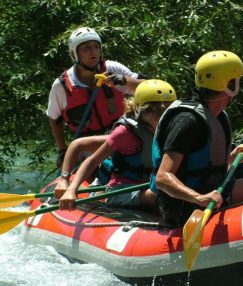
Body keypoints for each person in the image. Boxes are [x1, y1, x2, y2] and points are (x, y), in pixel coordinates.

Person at [150, 50, 243, 227]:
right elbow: (163, 177)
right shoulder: (188, 122)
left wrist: (231, 158)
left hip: (213, 192)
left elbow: (204, 167)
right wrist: (199, 198)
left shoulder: (216, 116)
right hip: (183, 204)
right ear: (230, 85)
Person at [59, 79, 176, 211]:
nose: (162, 117)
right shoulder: (124, 133)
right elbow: (92, 161)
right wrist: (71, 189)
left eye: (167, 112)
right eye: (155, 112)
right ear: (140, 111)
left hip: (147, 185)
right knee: (157, 196)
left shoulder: (171, 130)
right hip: (120, 190)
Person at [47, 27, 145, 168]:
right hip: (88, 144)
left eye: (96, 47)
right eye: (86, 48)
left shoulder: (113, 69)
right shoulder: (61, 86)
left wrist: (125, 80)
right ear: (75, 54)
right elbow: (54, 119)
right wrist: (62, 151)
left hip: (121, 136)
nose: (93, 52)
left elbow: (149, 88)